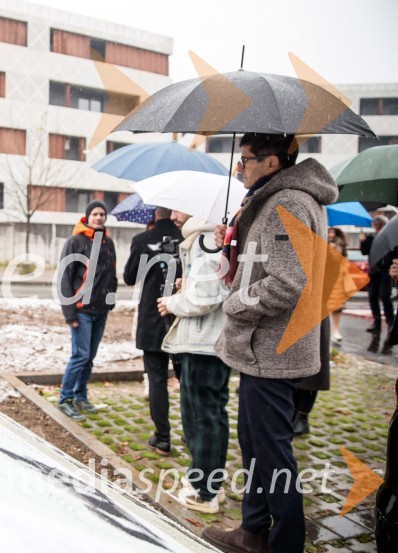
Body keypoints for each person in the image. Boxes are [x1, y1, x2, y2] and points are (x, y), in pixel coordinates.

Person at [202, 133, 336, 553]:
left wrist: (236, 303)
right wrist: (232, 240)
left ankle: (284, 543)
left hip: (272, 352)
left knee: (273, 454)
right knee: (256, 447)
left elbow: (288, 282)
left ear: (273, 163)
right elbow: (268, 263)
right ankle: (253, 530)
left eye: (246, 160)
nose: (239, 167)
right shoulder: (275, 201)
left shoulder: (287, 204)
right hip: (265, 350)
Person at [156, 211, 231, 513]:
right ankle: (212, 484)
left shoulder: (206, 240)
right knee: (211, 416)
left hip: (203, 344)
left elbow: (207, 296)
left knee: (201, 418)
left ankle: (204, 492)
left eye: (179, 209)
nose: (173, 215)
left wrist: (172, 302)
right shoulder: (208, 238)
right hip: (209, 343)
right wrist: (186, 287)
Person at [122, 206, 183, 455]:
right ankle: (192, 434)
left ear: (154, 213)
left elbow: (130, 277)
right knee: (186, 379)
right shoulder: (186, 239)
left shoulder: (142, 240)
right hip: (181, 317)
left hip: (152, 317)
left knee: (157, 380)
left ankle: (163, 437)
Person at [56, 200, 118, 421]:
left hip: (101, 310)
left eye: (102, 214)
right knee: (80, 356)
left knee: (90, 357)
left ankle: (80, 396)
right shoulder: (75, 241)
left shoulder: (108, 242)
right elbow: (65, 278)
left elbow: (111, 274)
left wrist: (110, 301)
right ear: (87, 217)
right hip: (81, 310)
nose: (99, 217)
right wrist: (69, 313)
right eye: (95, 214)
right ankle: (65, 399)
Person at [360, 216, 394, 335]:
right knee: (373, 297)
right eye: (376, 223)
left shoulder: (390, 238)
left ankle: (390, 323)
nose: (378, 225)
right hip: (373, 271)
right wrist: (363, 241)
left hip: (385, 271)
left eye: (380, 223)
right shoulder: (371, 238)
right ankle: (377, 323)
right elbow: (364, 251)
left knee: (385, 296)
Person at [327, 227, 349, 342]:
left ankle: (335, 331)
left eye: (333, 232)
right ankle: (325, 333)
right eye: (329, 232)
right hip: (324, 277)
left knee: (337, 306)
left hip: (338, 277)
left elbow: (345, 259)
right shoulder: (321, 242)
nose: (331, 234)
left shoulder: (341, 244)